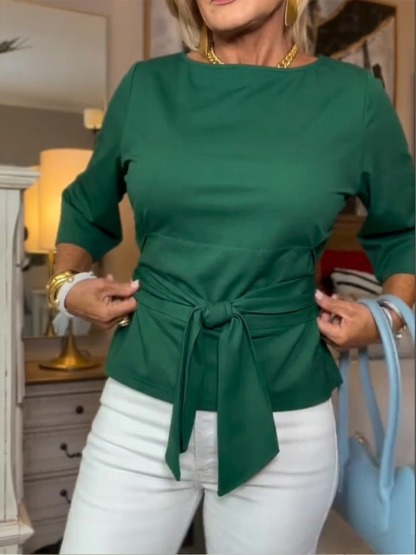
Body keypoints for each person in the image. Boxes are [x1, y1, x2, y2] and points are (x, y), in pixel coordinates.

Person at [51, 0, 415, 553]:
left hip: (286, 420)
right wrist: (65, 286)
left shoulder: (354, 98)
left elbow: (403, 227)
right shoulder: (147, 88)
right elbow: (86, 205)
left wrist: (387, 316)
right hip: (142, 409)